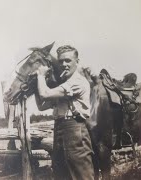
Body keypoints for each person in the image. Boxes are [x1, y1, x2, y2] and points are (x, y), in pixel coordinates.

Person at [34, 45, 95, 180]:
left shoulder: (77, 82)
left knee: (81, 173)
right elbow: (42, 106)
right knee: (61, 173)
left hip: (75, 128)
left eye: (68, 60)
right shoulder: (63, 85)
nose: (64, 64)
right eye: (61, 61)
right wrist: (35, 85)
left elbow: (44, 94)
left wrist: (41, 77)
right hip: (60, 127)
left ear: (77, 62)